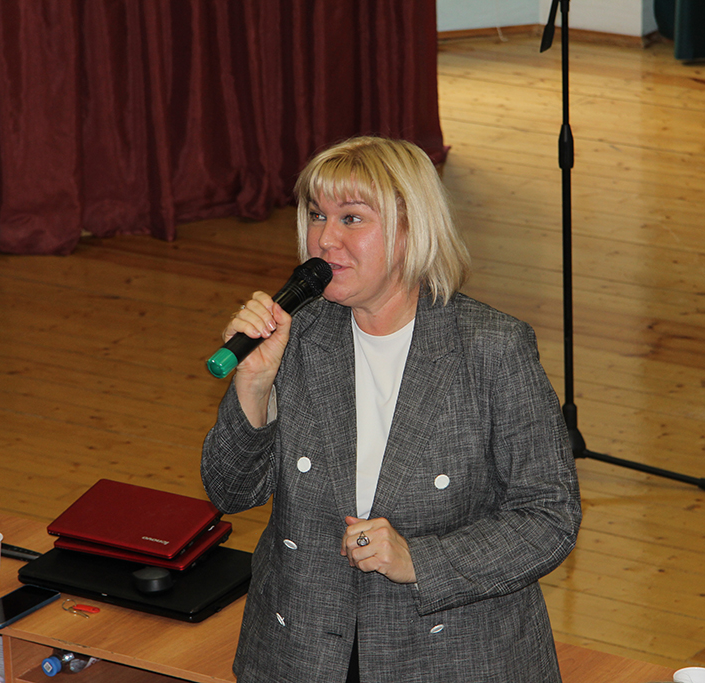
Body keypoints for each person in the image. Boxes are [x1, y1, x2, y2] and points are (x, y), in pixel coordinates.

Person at [201, 136, 580, 683]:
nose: (325, 239)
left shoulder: (492, 348)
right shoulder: (296, 337)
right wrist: (254, 385)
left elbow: (549, 516)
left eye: (352, 218)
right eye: (316, 215)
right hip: (302, 656)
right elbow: (229, 493)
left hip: (453, 660)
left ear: (410, 229)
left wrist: (421, 561)